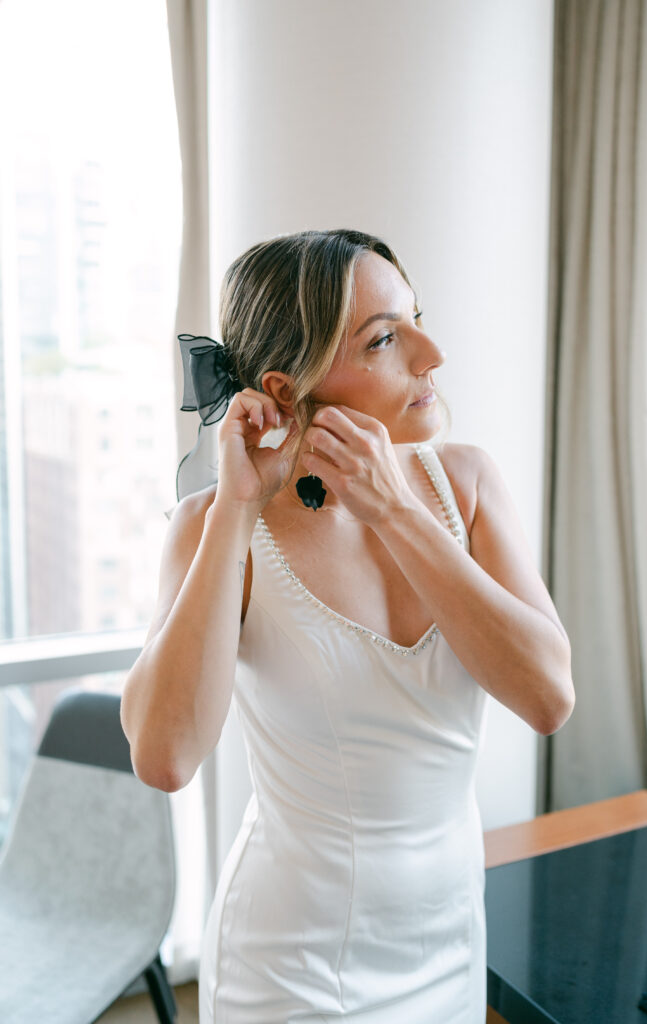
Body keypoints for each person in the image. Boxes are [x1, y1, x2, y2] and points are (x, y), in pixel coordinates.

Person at [121, 228, 575, 1024]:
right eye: (385, 339)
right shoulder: (213, 527)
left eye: (417, 319)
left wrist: (396, 509)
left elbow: (547, 698)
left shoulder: (464, 484)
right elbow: (164, 757)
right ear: (286, 389)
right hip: (291, 966)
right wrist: (233, 505)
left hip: (450, 941)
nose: (430, 354)